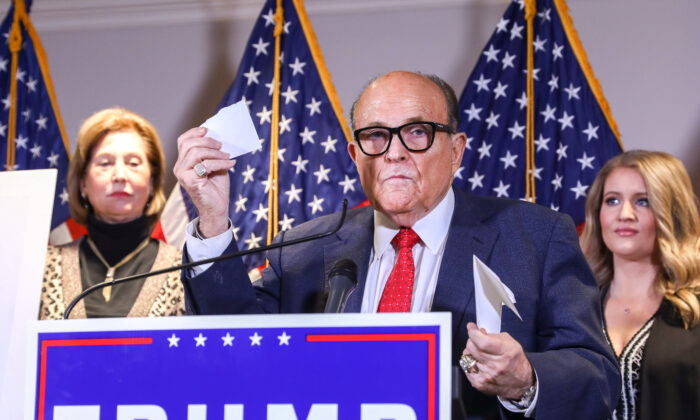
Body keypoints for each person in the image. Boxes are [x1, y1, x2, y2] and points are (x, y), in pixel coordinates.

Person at [174, 71, 619, 419]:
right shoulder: (303, 248)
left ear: (457, 150)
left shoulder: (535, 238)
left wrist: (525, 380)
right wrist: (212, 220)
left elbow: (597, 378)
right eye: (375, 136)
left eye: (418, 132)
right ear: (355, 156)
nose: (393, 152)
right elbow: (228, 347)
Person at [580, 150, 700, 420]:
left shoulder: (694, 309)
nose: (625, 214)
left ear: (673, 213)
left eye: (643, 201)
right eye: (612, 200)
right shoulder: (575, 308)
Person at [40, 107, 185, 319]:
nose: (119, 175)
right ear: (83, 183)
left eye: (133, 163)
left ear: (152, 182)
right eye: (105, 163)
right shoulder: (42, 267)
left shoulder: (184, 271)